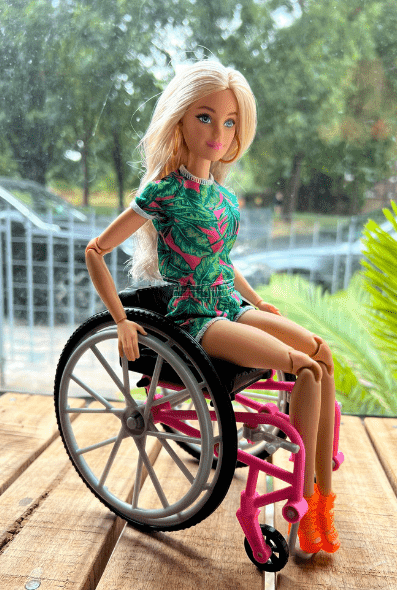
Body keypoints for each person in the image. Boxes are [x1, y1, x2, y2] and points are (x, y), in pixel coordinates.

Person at [84, 60, 340, 554]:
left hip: (229, 300)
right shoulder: (161, 193)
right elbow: (95, 249)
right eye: (205, 117)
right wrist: (120, 319)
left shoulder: (224, 197)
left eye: (228, 121)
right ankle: (303, 500)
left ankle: (324, 497)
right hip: (195, 317)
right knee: (304, 369)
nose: (219, 132)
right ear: (179, 119)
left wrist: (259, 301)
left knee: (323, 353)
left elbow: (223, 260)